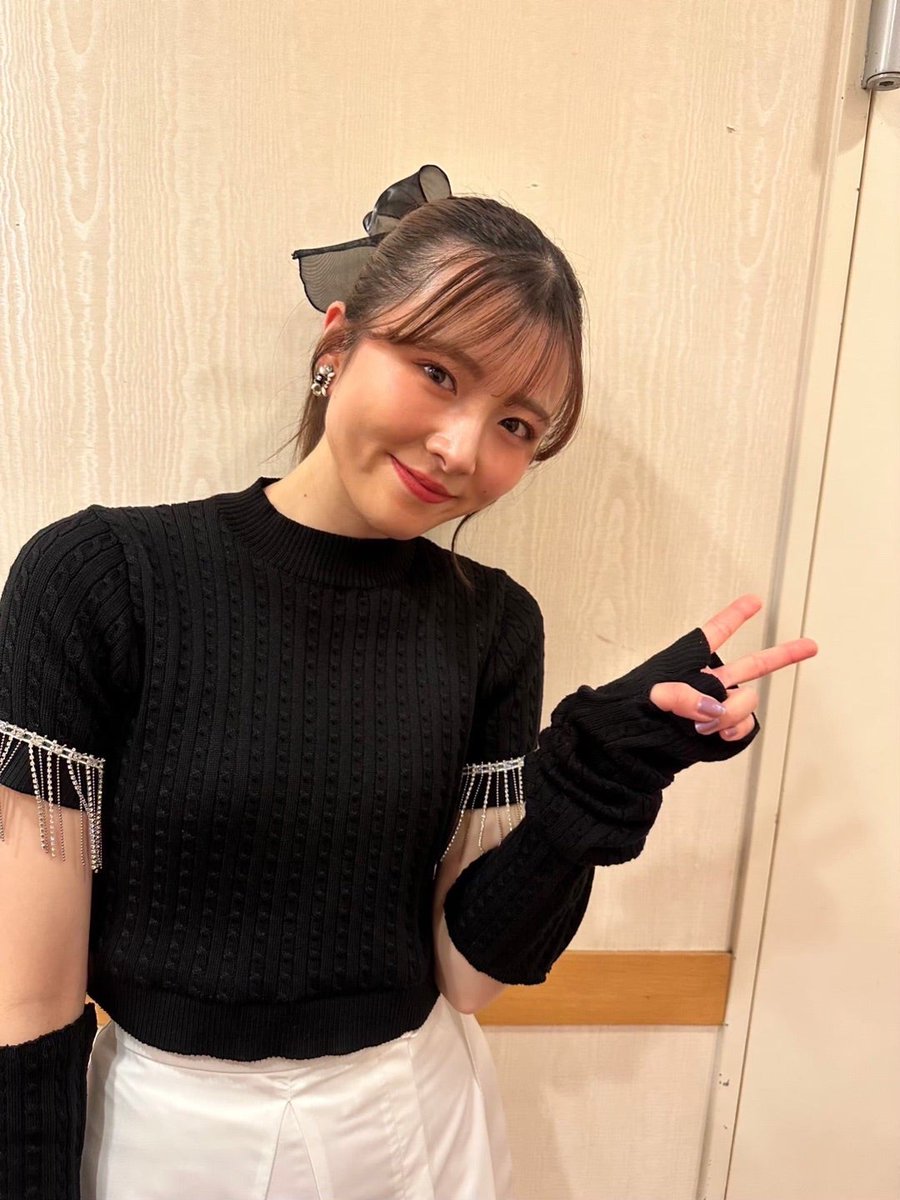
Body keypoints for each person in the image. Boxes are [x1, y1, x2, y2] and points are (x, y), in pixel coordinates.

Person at [0, 164, 817, 1200]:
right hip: (165, 1132)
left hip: (412, 1121)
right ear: (336, 342)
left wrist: (592, 786)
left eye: (518, 426)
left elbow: (471, 975)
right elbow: (25, 995)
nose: (461, 448)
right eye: (438, 372)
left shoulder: (495, 624)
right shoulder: (101, 580)